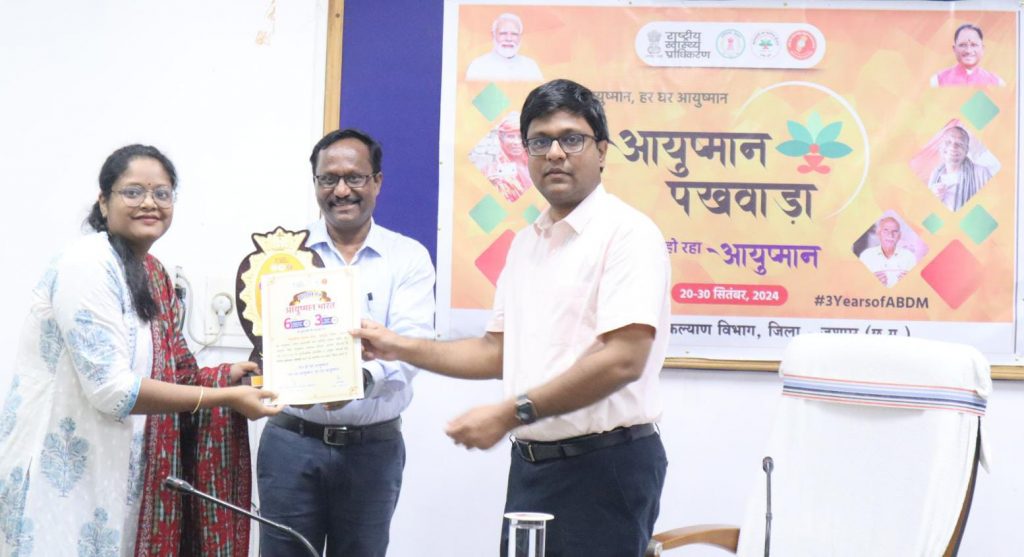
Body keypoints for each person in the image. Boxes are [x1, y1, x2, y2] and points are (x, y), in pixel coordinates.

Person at [354, 79, 670, 557]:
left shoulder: (628, 234)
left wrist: (509, 413)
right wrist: (397, 346)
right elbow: (496, 351)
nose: (555, 153)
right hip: (533, 467)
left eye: (572, 139)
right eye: (540, 142)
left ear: (602, 151)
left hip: (605, 466)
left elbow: (623, 359)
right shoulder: (527, 244)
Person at [0, 144, 281, 557]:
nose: (149, 203)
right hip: (58, 478)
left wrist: (226, 377)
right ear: (104, 201)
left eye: (161, 193)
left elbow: (175, 371)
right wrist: (223, 397)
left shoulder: (152, 274)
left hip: (122, 476)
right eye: (133, 192)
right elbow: (112, 390)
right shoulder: (87, 264)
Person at [256, 129, 435, 557]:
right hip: (291, 443)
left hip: (372, 449)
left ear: (377, 181)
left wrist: (359, 380)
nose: (341, 191)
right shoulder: (285, 256)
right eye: (328, 179)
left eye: (354, 178)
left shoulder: (407, 257)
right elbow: (265, 333)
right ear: (315, 183)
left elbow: (412, 346)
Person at [469, 111, 534, 202]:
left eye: (521, 137)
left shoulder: (537, 166)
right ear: (501, 139)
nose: (516, 142)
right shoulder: (490, 170)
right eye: (510, 136)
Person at [928, 125, 992, 211]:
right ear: (940, 147)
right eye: (948, 142)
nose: (953, 147)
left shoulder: (981, 173)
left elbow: (992, 206)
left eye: (960, 144)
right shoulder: (934, 175)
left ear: (966, 150)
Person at [465, 13, 544, 82]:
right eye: (503, 33)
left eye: (514, 34)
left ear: (520, 36)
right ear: (493, 34)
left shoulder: (531, 66)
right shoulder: (478, 66)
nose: (509, 39)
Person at [931, 23, 1005, 87]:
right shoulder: (938, 80)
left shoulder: (997, 82)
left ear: (982, 48)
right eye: (963, 45)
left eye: (973, 45)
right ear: (954, 48)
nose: (968, 50)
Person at [859, 217, 917, 288]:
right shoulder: (866, 256)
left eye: (895, 231)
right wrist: (871, 282)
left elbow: (916, 287)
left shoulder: (909, 257)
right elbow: (859, 286)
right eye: (886, 230)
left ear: (899, 236)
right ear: (878, 233)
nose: (890, 235)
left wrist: (909, 283)